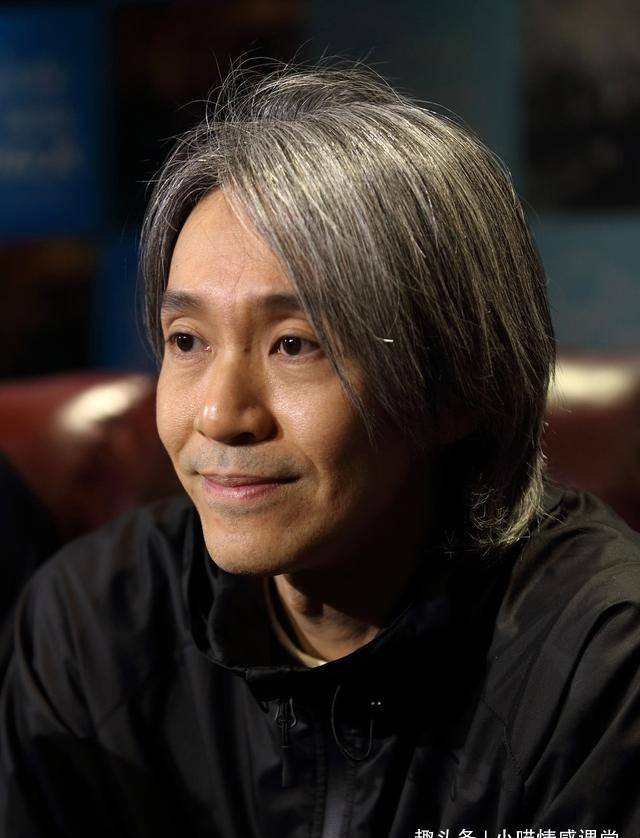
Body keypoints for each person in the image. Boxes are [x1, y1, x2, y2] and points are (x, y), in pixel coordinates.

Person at [2, 58, 639, 838]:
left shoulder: (600, 666)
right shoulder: (90, 626)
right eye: (187, 340)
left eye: (295, 345)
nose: (220, 415)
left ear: (457, 387)